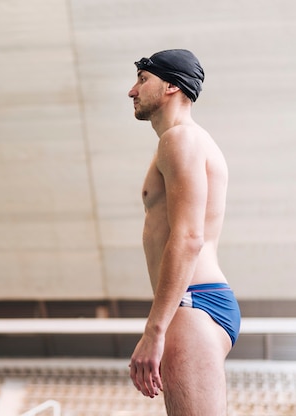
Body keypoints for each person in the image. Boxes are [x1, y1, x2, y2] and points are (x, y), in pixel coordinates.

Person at [127, 49, 241, 415]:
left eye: (143, 80)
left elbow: (190, 237)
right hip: (196, 299)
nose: (133, 91)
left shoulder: (180, 140)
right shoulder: (183, 141)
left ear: (172, 85)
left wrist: (155, 330)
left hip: (192, 300)